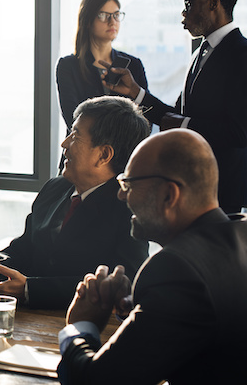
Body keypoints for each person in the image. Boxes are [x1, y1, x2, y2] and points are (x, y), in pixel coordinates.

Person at [58, 129, 247, 384]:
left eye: (129, 184)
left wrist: (79, 326)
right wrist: (136, 307)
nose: (120, 195)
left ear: (169, 195)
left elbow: (96, 381)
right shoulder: (240, 233)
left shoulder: (177, 269)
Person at [0, 96, 150, 309]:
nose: (64, 143)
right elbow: (26, 248)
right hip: (28, 322)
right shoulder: (55, 188)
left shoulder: (129, 206)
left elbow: (125, 282)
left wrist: (31, 289)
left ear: (104, 154)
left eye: (75, 136)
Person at [105, 0, 247, 212]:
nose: (183, 13)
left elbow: (240, 132)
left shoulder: (242, 55)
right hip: (191, 186)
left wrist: (184, 126)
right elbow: (175, 116)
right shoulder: (198, 55)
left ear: (214, 3)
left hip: (223, 193)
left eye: (189, 3)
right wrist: (136, 93)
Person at [56, 0, 148, 131]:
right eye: (103, 15)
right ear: (87, 20)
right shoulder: (69, 66)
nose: (112, 22)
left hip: (125, 151)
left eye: (116, 15)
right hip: (82, 149)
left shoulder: (133, 64)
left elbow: (145, 118)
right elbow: (73, 119)